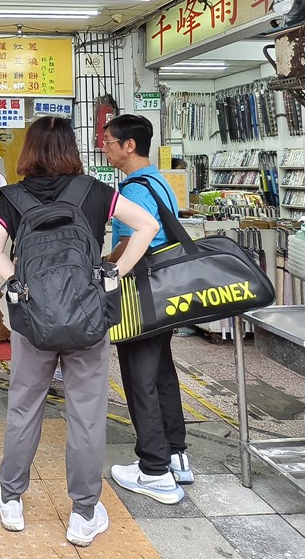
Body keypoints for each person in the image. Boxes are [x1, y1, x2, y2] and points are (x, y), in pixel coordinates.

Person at [0, 116, 159, 547]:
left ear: (30, 151)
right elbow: (148, 226)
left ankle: (11, 500)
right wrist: (110, 273)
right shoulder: (95, 191)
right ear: (71, 149)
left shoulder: (13, 196)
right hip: (87, 317)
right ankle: (83, 513)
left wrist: (15, 282)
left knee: (24, 407)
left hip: (32, 319)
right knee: (85, 413)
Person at [104, 114, 190, 505]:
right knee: (161, 373)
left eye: (109, 141)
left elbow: (137, 239)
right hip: (165, 290)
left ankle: (154, 470)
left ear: (129, 145)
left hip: (139, 291)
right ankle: (175, 454)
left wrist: (107, 261)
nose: (104, 147)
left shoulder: (133, 190)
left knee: (140, 378)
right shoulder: (158, 181)